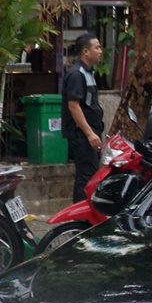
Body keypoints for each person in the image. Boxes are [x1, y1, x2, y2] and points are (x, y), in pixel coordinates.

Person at [61, 33, 105, 202]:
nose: (100, 51)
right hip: (82, 136)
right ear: (85, 52)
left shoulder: (88, 73)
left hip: (90, 134)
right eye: (97, 47)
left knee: (90, 176)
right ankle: (81, 222)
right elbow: (74, 106)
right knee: (86, 178)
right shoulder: (77, 74)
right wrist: (89, 133)